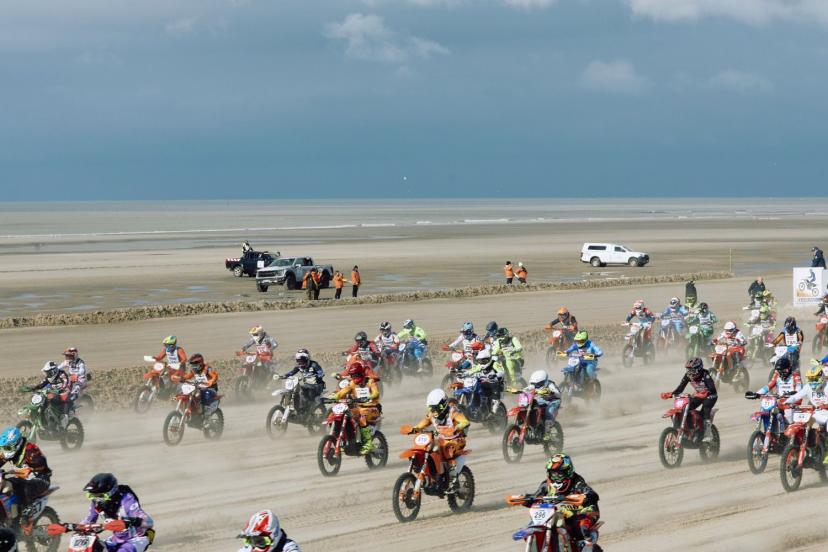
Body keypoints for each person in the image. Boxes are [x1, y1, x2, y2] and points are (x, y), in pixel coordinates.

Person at [521, 454, 601, 552]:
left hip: (582, 511)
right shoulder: (546, 485)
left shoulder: (577, 482)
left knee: (582, 528)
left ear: (568, 472)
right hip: (558, 514)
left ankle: (586, 545)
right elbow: (537, 496)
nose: (556, 477)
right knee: (534, 524)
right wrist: (528, 500)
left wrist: (585, 496)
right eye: (553, 473)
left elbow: (592, 494)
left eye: (559, 473)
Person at [409, 389, 470, 493]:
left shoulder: (453, 412)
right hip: (442, 440)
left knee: (448, 451)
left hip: (456, 439)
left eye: (436, 408)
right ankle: (432, 475)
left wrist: (457, 427)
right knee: (429, 448)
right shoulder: (432, 414)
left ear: (444, 404)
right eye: (432, 408)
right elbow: (424, 422)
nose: (434, 411)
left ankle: (453, 479)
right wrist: (415, 428)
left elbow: (465, 421)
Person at [78, 473, 154, 552]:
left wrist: (127, 522)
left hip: (137, 538)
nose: (97, 499)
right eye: (92, 496)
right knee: (94, 548)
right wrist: (68, 527)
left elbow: (149, 522)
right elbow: (88, 521)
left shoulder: (127, 499)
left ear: (112, 492)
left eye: (101, 496)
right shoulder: (96, 503)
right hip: (117, 539)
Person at [664, 357, 718, 442]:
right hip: (698, 395)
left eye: (692, 370)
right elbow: (681, 388)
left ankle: (707, 433)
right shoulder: (688, 376)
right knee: (686, 407)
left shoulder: (705, 375)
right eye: (688, 369)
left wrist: (706, 393)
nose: (689, 372)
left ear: (699, 369)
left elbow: (712, 389)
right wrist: (671, 394)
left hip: (710, 395)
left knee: (706, 409)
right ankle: (690, 428)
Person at [331, 362, 380, 454]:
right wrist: (334, 397)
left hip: (372, 407)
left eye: (356, 375)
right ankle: (345, 440)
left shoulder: (370, 381)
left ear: (361, 373)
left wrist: (370, 396)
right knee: (344, 414)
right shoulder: (352, 383)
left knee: (362, 416)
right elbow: (343, 392)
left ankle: (368, 442)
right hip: (358, 408)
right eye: (352, 375)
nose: (354, 377)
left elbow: (376, 392)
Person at [0, 426, 51, 514]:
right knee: (6, 484)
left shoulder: (30, 450)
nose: (4, 451)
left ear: (17, 444)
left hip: (41, 479)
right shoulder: (10, 452)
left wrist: (31, 469)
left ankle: (28, 512)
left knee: (28, 488)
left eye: (7, 448)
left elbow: (42, 464)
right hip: (23, 479)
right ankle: (12, 513)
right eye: (3, 448)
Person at [784, 364, 828, 462]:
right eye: (810, 379)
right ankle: (804, 446)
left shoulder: (827, 386)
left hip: (826, 414)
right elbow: (796, 396)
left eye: (814, 379)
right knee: (802, 424)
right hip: (815, 413)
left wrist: (825, 406)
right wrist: (787, 402)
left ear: (821, 377)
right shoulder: (808, 387)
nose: (812, 381)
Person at [746, 356, 801, 424]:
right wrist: (756, 394)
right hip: (779, 403)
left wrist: (793, 393)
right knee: (769, 411)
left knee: (789, 417)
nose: (782, 373)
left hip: (791, 404)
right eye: (779, 371)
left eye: (784, 370)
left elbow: (799, 389)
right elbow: (768, 386)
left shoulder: (795, 376)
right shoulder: (777, 376)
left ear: (789, 368)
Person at [27, 361, 72, 428]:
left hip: (64, 392)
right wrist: (34, 388)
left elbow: (66, 382)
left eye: (48, 372)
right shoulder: (50, 377)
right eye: (46, 372)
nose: (47, 374)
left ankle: (65, 416)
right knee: (43, 400)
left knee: (64, 398)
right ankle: (44, 420)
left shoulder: (61, 374)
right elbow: (43, 384)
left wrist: (61, 389)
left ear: (53, 371)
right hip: (53, 392)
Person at [525, 369, 562, 442]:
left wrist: (549, 392)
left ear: (545, 381)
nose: (536, 386)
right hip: (541, 401)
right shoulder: (533, 385)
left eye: (538, 384)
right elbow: (526, 389)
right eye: (534, 384)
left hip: (553, 401)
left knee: (549, 411)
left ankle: (548, 433)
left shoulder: (550, 384)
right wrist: (516, 390)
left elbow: (558, 393)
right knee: (528, 407)